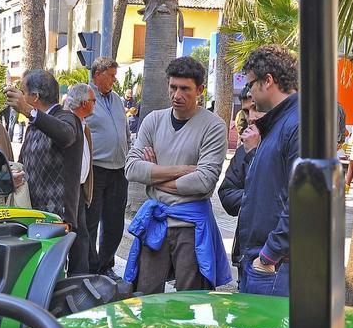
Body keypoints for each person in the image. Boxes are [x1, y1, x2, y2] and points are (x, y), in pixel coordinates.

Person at [123, 57, 230, 293]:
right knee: (145, 294)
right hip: (156, 221)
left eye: (185, 89)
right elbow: (131, 168)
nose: (177, 95)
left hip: (191, 225)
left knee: (190, 299)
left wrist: (154, 175)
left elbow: (204, 180)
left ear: (200, 90)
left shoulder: (213, 126)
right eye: (173, 87)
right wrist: (184, 170)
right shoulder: (153, 120)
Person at [234, 45, 300, 297]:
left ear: (268, 81)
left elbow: (303, 200)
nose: (249, 91)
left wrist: (269, 255)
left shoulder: (295, 124)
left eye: (251, 84)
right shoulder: (279, 123)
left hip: (276, 265)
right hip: (265, 259)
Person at [6, 70, 85, 271]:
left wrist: (29, 111)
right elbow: (24, 162)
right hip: (36, 217)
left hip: (57, 219)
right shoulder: (34, 124)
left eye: (23, 93)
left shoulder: (67, 118)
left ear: (35, 97)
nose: (21, 97)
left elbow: (66, 135)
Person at [83, 57, 129, 278]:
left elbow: (124, 130)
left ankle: (105, 265)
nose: (114, 79)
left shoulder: (117, 100)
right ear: (97, 74)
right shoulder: (84, 97)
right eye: (110, 75)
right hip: (96, 170)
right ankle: (90, 267)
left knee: (114, 222)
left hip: (119, 170)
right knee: (91, 221)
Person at [219, 87, 264, 282]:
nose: (251, 117)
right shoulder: (243, 150)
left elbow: (274, 195)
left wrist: (254, 153)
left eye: (256, 108)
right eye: (246, 111)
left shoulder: (288, 142)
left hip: (274, 259)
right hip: (245, 252)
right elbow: (226, 195)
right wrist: (251, 198)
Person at [65, 83, 97, 275]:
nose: (95, 104)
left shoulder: (83, 125)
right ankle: (77, 279)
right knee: (76, 237)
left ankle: (80, 276)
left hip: (79, 190)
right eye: (93, 101)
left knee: (81, 237)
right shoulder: (69, 124)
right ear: (84, 103)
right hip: (68, 192)